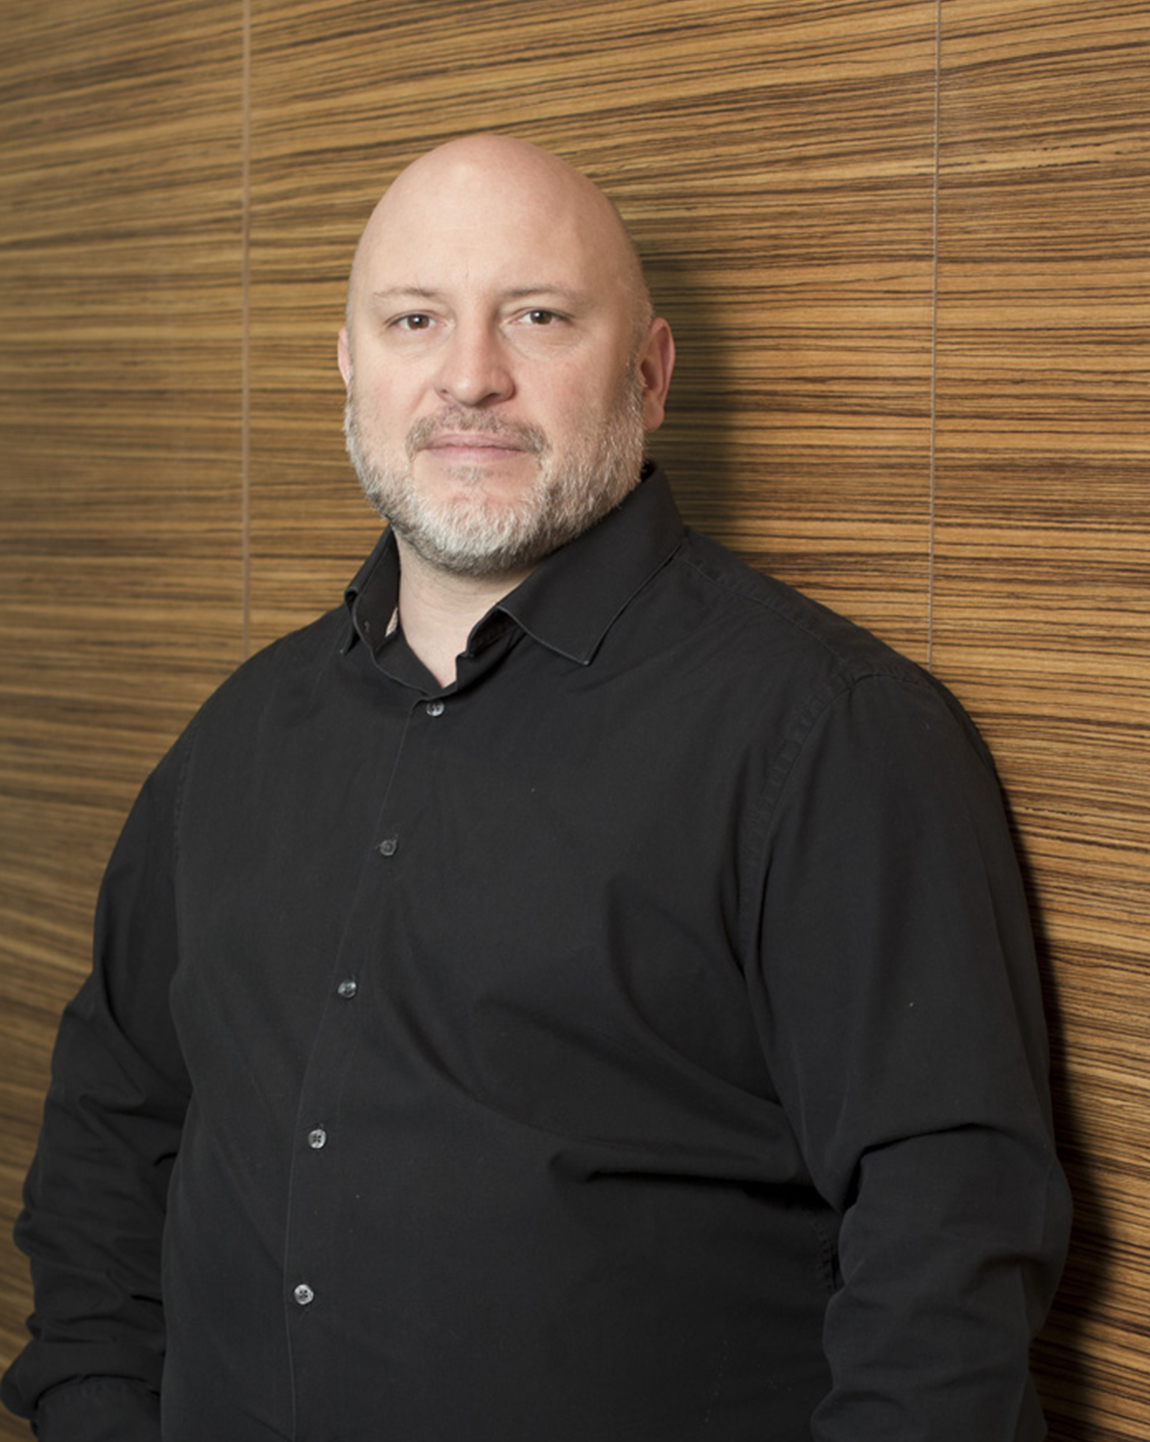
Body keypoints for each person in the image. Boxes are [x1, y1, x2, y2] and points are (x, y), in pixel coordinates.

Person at [2, 134, 1070, 1442]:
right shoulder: (236, 738)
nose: (470, 376)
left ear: (650, 371)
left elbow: (945, 1247)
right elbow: (112, 1134)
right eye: (414, 320)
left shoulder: (831, 736)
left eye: (538, 316)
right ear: (348, 367)